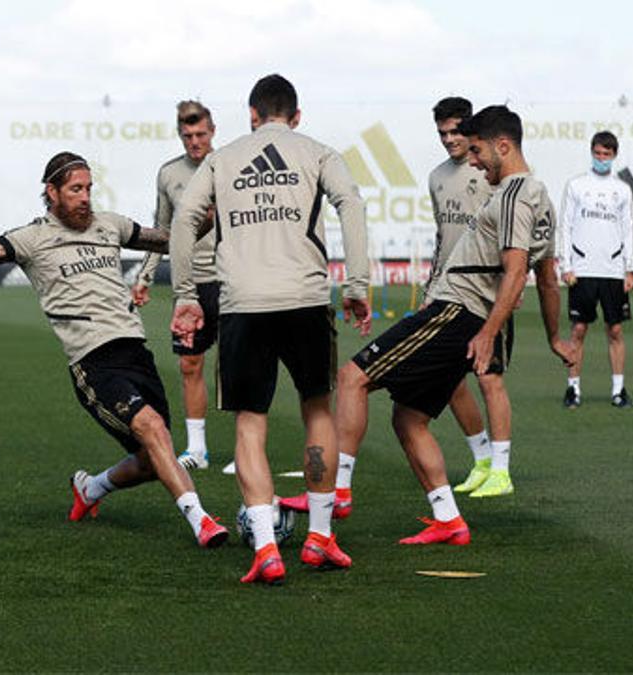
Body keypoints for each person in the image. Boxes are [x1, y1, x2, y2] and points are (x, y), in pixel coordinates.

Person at [0, 151, 230, 550]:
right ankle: (201, 521)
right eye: (76, 189)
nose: (85, 197)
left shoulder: (110, 225)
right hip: (93, 363)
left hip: (136, 354)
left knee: (150, 460)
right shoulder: (31, 238)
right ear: (52, 192)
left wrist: (204, 218)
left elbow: (170, 241)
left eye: (89, 189)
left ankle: (91, 489)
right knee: (153, 429)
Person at [333, 105, 573, 547]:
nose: (475, 163)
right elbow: (549, 277)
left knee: (352, 377)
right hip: (462, 312)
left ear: (503, 146)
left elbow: (518, 269)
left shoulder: (517, 194)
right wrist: (554, 336)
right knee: (409, 419)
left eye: (479, 151)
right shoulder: (540, 199)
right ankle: (448, 519)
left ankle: (335, 494)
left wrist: (487, 331)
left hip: (457, 310)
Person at [169, 74, 371, 585]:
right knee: (317, 409)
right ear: (296, 116)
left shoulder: (223, 157)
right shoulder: (318, 151)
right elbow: (352, 204)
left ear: (251, 115)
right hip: (305, 298)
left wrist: (187, 295)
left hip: (243, 304)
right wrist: (357, 283)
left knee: (249, 422)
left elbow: (184, 219)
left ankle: (265, 548)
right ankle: (320, 538)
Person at [285, 96, 513, 511]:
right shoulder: (438, 177)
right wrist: (431, 285)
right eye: (442, 133)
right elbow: (446, 236)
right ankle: (459, 495)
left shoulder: (492, 176)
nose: (449, 140)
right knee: (420, 406)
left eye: (457, 132)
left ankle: (496, 466)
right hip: (444, 295)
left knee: (485, 378)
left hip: (479, 300)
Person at [132, 100, 227, 473]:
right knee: (190, 364)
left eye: (200, 133)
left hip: (232, 279)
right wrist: (143, 277)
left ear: (212, 130)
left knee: (236, 367)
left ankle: (246, 449)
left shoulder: (230, 166)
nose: (194, 141)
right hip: (189, 284)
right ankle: (198, 450)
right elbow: (162, 230)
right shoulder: (169, 174)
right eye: (187, 135)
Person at [559, 130, 633, 408]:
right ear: (592, 152)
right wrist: (566, 265)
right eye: (598, 153)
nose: (602, 158)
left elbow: (628, 230)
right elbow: (565, 226)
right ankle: (573, 389)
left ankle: (618, 390)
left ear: (614, 156)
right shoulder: (576, 185)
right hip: (582, 268)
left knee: (614, 330)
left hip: (613, 270)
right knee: (578, 329)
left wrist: (630, 269)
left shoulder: (623, 189)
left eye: (607, 154)